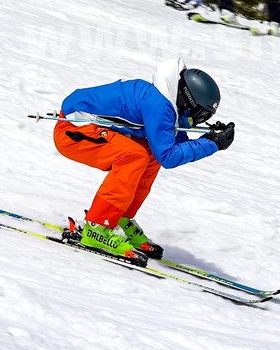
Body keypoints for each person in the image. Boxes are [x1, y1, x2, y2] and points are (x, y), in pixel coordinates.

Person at [55, 57, 235, 264]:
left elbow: (170, 144)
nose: (197, 120)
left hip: (86, 129)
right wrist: (212, 143)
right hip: (71, 130)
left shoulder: (165, 102)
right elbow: (169, 156)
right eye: (199, 114)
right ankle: (97, 227)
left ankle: (118, 218)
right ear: (187, 101)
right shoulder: (160, 104)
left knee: (149, 156)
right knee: (133, 156)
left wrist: (210, 137)